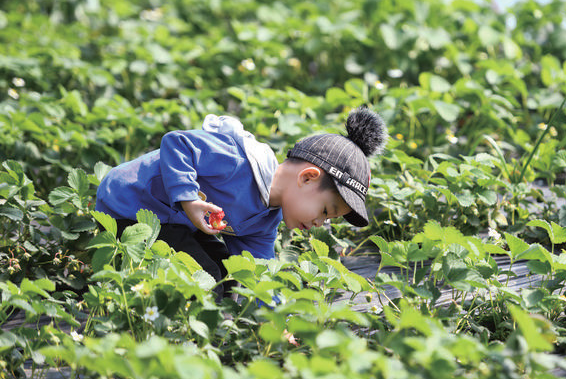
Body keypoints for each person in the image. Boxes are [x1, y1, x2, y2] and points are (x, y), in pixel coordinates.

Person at [95, 106, 387, 299]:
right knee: (204, 277)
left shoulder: (264, 221)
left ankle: (217, 326)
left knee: (228, 275)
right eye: (326, 211)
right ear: (308, 178)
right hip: (129, 205)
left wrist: (277, 319)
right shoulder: (237, 160)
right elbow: (177, 143)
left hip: (174, 224)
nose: (320, 223)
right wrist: (188, 198)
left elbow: (255, 272)